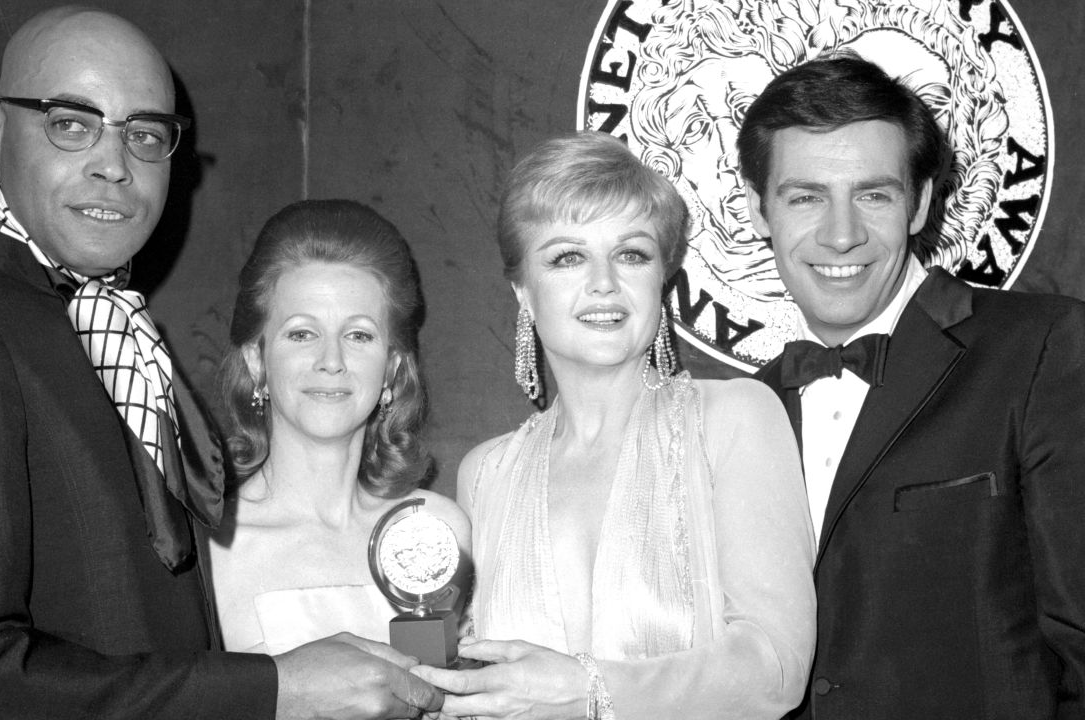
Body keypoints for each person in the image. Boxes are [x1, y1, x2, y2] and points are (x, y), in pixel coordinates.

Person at [0, 7, 439, 719]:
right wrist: (274, 689)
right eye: (70, 123)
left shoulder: (113, 329)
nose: (114, 164)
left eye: (143, 134)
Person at [415, 131, 816, 719]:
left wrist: (591, 691)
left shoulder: (735, 418)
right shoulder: (486, 473)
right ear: (523, 291)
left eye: (631, 254)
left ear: (662, 278)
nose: (604, 281)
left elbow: (774, 668)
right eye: (568, 257)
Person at [744, 53, 1085, 718]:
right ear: (760, 211)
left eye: (873, 195)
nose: (842, 235)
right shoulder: (742, 412)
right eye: (807, 197)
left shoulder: (1042, 349)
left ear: (921, 201)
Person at [205, 199, 470, 653]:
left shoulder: (439, 531)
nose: (331, 362)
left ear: (391, 367)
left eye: (359, 335)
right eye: (302, 333)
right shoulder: (210, 549)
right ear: (256, 359)